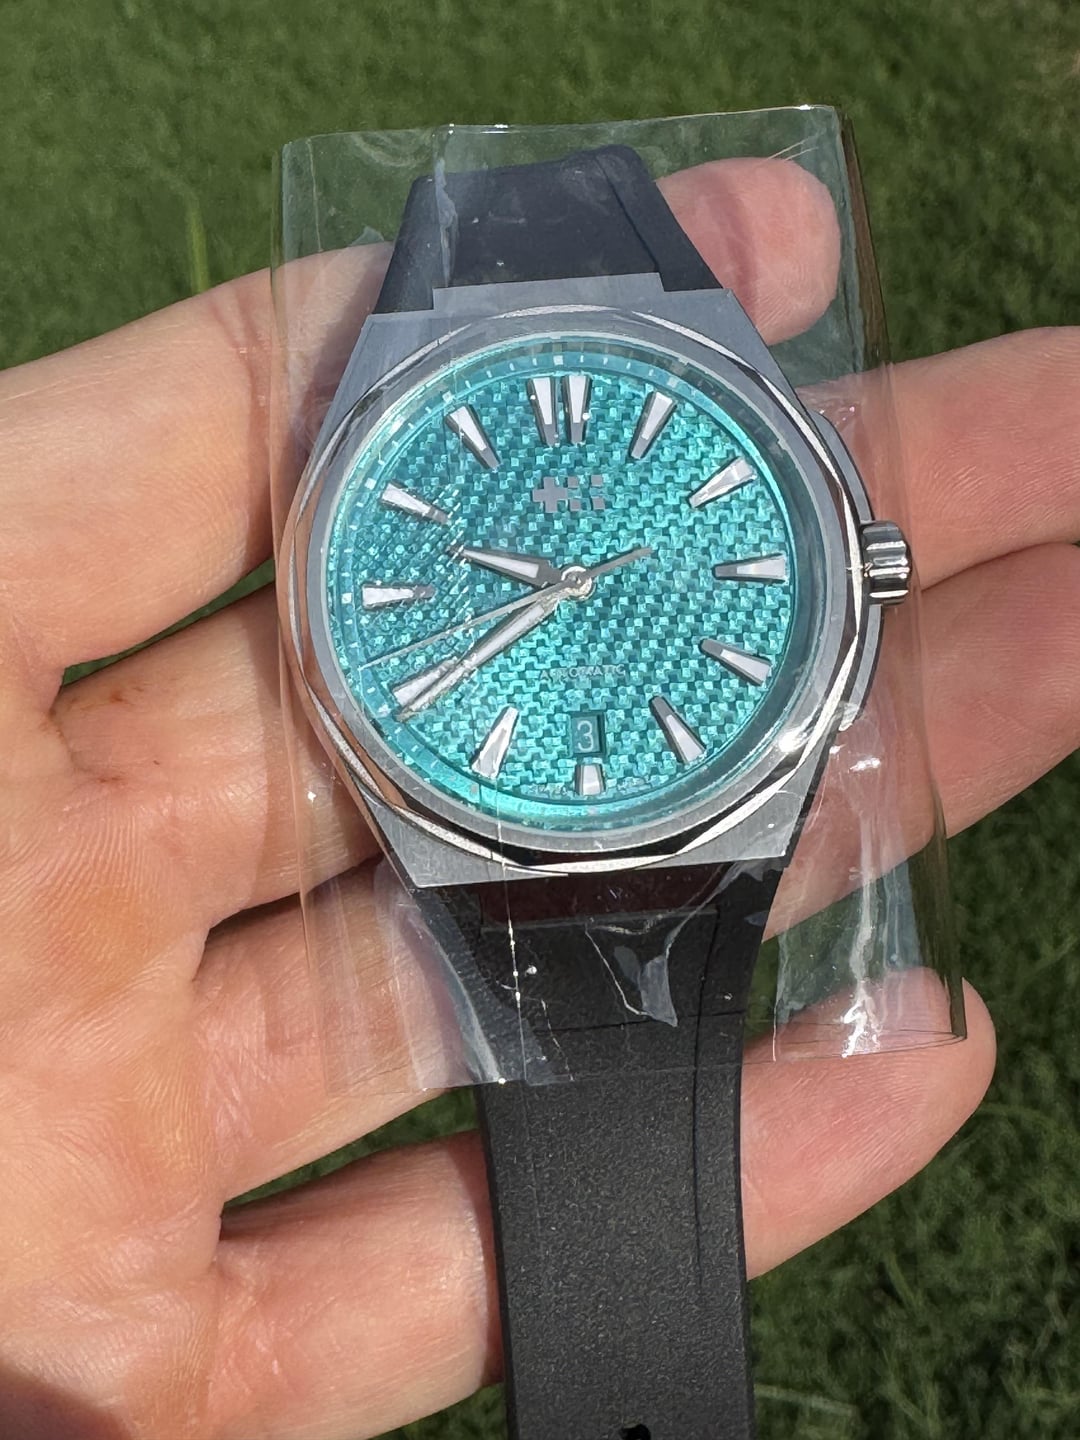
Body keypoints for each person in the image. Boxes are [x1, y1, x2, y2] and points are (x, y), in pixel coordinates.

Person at [0, 155, 1075, 1440]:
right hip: (481, 809)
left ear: (858, 565)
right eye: (557, 587)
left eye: (576, 585)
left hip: (683, 803)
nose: (568, 591)